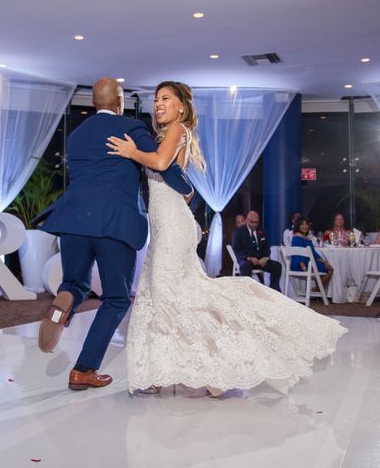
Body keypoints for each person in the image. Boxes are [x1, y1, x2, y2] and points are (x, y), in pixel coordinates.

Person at [107, 80, 346, 396]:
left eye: (165, 98)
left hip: (172, 227)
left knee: (172, 293)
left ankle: (210, 369)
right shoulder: (166, 135)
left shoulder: (177, 129)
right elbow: (175, 178)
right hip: (166, 223)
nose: (158, 104)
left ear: (181, 106)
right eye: (156, 100)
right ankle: (172, 371)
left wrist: (132, 152)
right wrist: (184, 192)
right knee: (160, 294)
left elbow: (162, 164)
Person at [36, 77, 193, 391]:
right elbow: (164, 166)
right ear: (119, 101)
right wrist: (187, 190)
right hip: (114, 224)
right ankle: (83, 369)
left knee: (74, 283)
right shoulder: (132, 129)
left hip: (74, 222)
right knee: (116, 299)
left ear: (94, 103)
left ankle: (65, 300)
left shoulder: (77, 135)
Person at [232, 211, 282, 292]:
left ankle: (274, 290)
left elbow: (266, 247)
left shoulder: (262, 231)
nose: (255, 225)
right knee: (245, 267)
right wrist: (249, 258)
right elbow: (237, 250)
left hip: (260, 260)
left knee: (277, 266)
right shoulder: (239, 232)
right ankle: (248, 291)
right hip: (246, 260)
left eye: (256, 222)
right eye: (252, 222)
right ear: (247, 220)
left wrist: (265, 258)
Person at [291, 216, 334, 291]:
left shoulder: (306, 238)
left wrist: (324, 261)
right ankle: (316, 291)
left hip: (309, 263)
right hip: (299, 264)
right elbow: (297, 254)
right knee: (328, 270)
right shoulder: (296, 238)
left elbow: (314, 254)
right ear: (298, 226)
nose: (305, 226)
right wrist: (304, 268)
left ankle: (317, 290)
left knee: (329, 268)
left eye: (306, 224)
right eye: (302, 224)